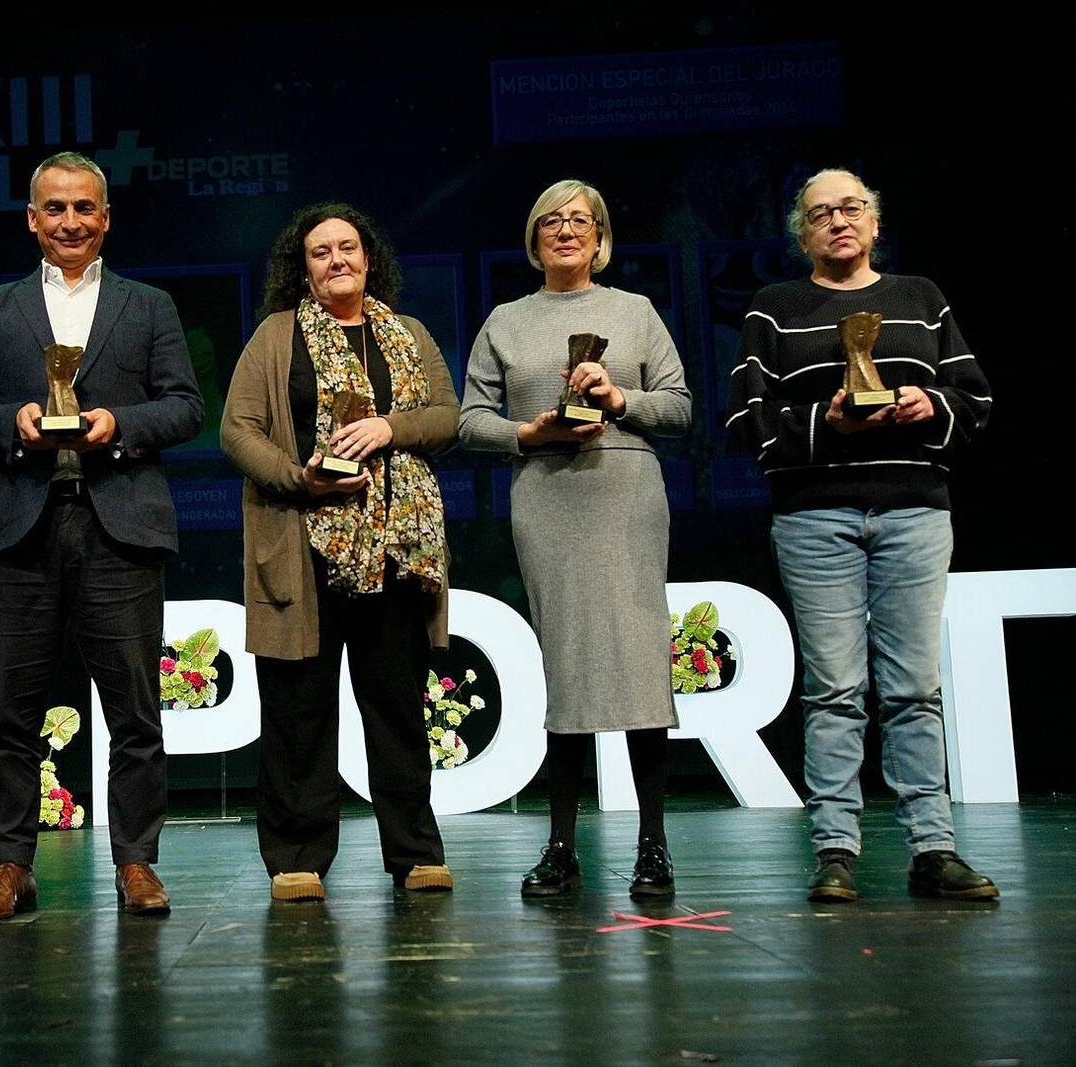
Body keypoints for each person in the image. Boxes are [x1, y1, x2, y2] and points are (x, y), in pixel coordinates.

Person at [726, 168, 997, 903]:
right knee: (836, 689)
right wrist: (830, 422)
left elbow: (975, 399)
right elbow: (745, 420)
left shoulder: (920, 297)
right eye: (821, 214)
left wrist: (929, 403)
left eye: (851, 209)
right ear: (802, 234)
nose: (839, 221)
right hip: (815, 515)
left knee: (914, 688)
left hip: (914, 510)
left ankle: (932, 848)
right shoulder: (775, 308)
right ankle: (836, 851)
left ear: (875, 223)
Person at [0, 152, 203, 918]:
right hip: (20, 526)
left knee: (134, 711)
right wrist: (13, 422)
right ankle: (10, 865)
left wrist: (117, 424)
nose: (70, 222)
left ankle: (136, 863)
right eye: (55, 208)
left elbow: (186, 405)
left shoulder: (149, 305)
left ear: (106, 217)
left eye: (84, 208)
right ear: (32, 219)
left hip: (119, 525)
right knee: (9, 713)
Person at [459, 179, 691, 900]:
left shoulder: (636, 311)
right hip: (547, 494)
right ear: (534, 239)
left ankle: (653, 846)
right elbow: (470, 421)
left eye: (580, 220)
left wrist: (618, 399)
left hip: (625, 491)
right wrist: (529, 432)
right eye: (551, 221)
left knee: (639, 663)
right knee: (567, 667)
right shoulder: (506, 320)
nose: (565, 230)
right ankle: (562, 846)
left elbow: (679, 407)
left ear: (600, 237)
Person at [222, 202, 457, 902]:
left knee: (397, 708)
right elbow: (238, 430)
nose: (336, 261)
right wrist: (301, 479)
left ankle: (414, 853)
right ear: (304, 271)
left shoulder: (407, 333)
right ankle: (296, 857)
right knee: (298, 711)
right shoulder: (276, 336)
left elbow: (448, 418)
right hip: (303, 546)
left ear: (368, 257)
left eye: (347, 247)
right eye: (320, 252)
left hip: (396, 550)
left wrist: (389, 428)